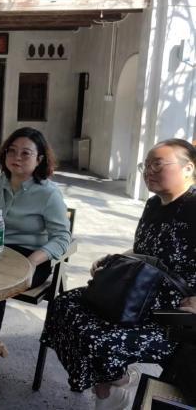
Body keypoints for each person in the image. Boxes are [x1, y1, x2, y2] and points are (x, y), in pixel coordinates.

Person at [40, 138, 196, 410]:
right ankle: (116, 382)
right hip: (137, 294)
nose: (149, 171)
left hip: (171, 314)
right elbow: (144, 250)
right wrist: (114, 260)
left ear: (188, 168)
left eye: (158, 164)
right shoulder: (153, 205)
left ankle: (110, 389)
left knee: (100, 339)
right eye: (146, 165)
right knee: (64, 306)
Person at [0, 127, 71, 386]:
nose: (17, 157)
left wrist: (32, 261)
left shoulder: (48, 194)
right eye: (12, 151)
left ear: (39, 159)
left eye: (26, 153)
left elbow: (62, 238)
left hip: (31, 257)